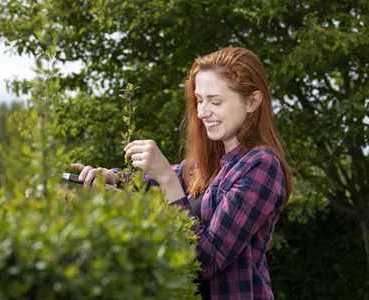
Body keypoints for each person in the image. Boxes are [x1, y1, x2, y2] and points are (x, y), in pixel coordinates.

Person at [71, 47, 293, 300]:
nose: (202, 112)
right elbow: (146, 185)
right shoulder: (204, 164)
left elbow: (208, 260)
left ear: (252, 101)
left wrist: (167, 178)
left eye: (215, 101)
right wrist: (109, 177)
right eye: (199, 100)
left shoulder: (261, 166)